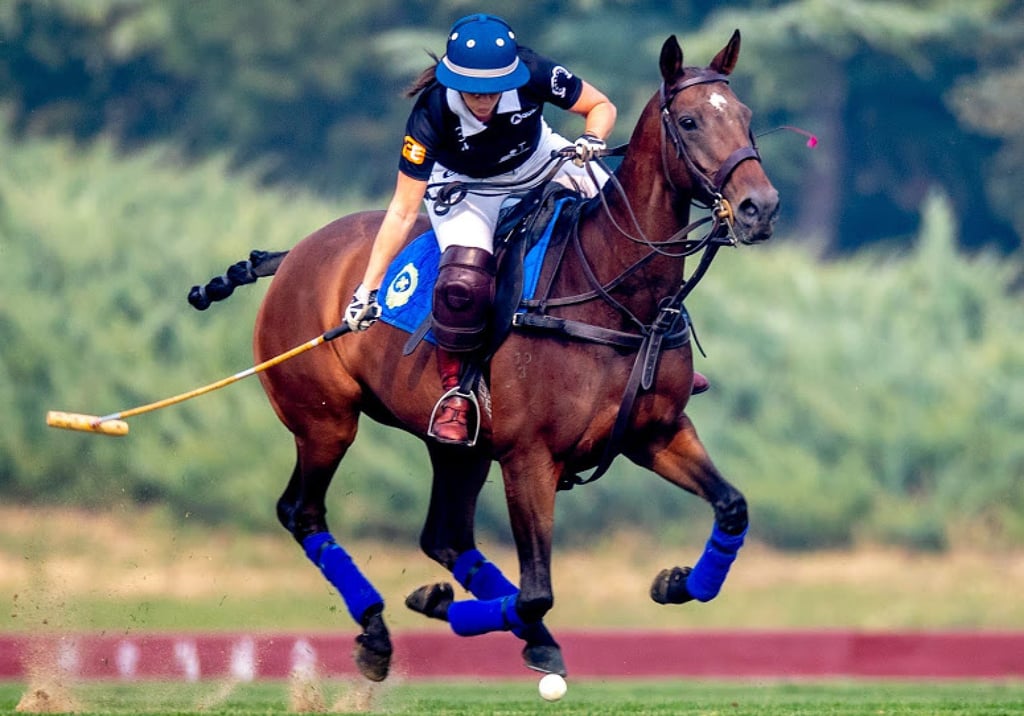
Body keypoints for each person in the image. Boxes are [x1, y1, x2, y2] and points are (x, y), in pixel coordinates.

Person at [345, 13, 705, 445]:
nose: (484, 100)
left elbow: (600, 106)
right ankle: (457, 393)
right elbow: (403, 211)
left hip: (540, 161)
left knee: (633, 231)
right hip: (466, 188)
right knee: (463, 281)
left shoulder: (533, 71)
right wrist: (367, 290)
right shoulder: (432, 111)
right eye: (474, 91)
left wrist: (592, 137)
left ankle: (665, 353)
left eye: (494, 89)